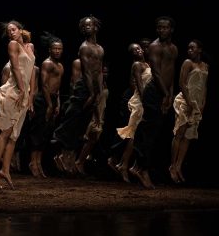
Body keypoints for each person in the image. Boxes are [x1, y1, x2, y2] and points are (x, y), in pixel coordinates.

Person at [52, 16, 104, 174]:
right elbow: (87, 73)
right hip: (84, 87)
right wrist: (92, 93)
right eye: (85, 26)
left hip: (94, 87)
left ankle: (66, 156)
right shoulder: (84, 47)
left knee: (82, 124)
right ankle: (61, 153)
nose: (88, 28)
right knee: (74, 119)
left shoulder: (100, 49)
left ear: (96, 27)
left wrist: (99, 91)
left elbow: (99, 71)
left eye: (91, 25)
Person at [0, 20, 35, 189]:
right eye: (9, 32)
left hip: (24, 93)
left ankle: (5, 170)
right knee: (5, 132)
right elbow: (15, 68)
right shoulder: (13, 45)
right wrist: (22, 90)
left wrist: (30, 95)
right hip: (13, 92)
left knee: (14, 136)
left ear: (21, 30)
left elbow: (32, 73)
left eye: (13, 30)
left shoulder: (30, 47)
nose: (11, 33)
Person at [132, 16, 177, 189]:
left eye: (165, 27)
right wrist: (165, 94)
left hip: (165, 92)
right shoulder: (154, 47)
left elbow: (171, 73)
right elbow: (157, 73)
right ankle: (142, 169)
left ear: (171, 29)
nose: (161, 30)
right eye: (159, 27)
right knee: (150, 132)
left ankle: (139, 166)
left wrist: (170, 94)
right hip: (154, 92)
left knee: (157, 132)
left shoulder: (174, 48)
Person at [110, 43, 151, 183]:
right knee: (133, 134)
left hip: (144, 100)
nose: (138, 51)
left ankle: (123, 164)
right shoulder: (137, 65)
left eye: (139, 48)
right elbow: (138, 85)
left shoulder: (149, 65)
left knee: (135, 135)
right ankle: (123, 164)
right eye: (134, 50)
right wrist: (145, 101)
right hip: (139, 101)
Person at [169, 39, 208, 183]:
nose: (189, 50)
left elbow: (204, 87)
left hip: (197, 104)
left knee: (188, 136)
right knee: (179, 133)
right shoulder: (187, 63)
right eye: (188, 48)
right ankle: (172, 166)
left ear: (200, 50)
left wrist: (202, 103)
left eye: (192, 48)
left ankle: (179, 166)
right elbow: (182, 83)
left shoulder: (205, 66)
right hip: (185, 101)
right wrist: (189, 102)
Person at [27, 32, 64, 178]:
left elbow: (58, 87)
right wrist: (49, 105)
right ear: (50, 50)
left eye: (60, 49)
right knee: (38, 132)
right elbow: (45, 85)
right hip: (43, 100)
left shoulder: (60, 66)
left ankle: (38, 162)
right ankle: (32, 162)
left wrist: (57, 103)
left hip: (53, 100)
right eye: (55, 49)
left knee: (45, 134)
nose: (57, 51)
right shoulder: (47, 63)